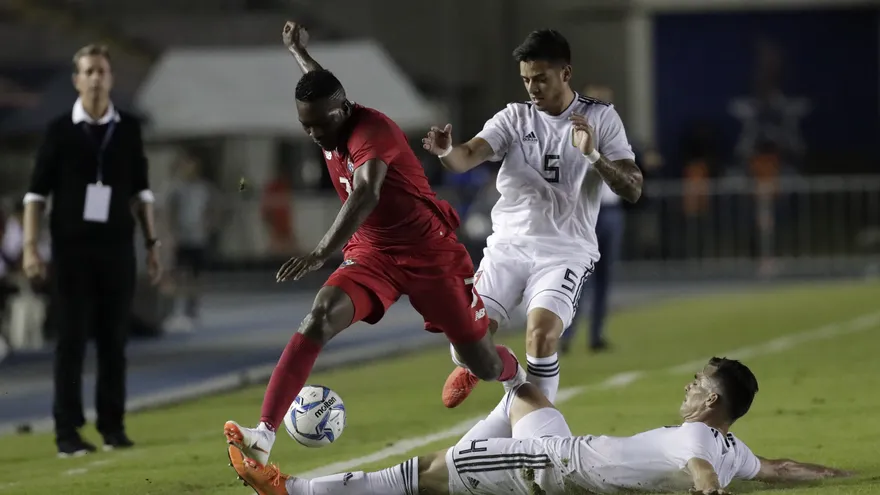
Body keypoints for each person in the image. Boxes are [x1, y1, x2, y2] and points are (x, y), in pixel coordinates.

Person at [223, 22, 521, 468]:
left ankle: (516, 374)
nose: (315, 137)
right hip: (372, 253)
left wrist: (321, 251)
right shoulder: (327, 111)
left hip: (429, 254)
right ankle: (264, 434)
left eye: (321, 126)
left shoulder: (371, 132)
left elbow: (366, 193)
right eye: (306, 128)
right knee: (319, 317)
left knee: (484, 365)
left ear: (343, 112)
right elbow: (320, 85)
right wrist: (298, 53)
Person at [228, 357, 851, 495]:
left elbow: (701, 473)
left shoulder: (702, 444)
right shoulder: (736, 444)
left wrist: (707, 493)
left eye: (699, 385)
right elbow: (781, 470)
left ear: (714, 402)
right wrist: (842, 474)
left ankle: (292, 490)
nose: (688, 389)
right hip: (560, 442)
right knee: (523, 387)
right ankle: (474, 360)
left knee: (428, 475)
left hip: (550, 467)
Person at [421, 30, 643, 409]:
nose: (532, 88)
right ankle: (485, 364)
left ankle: (538, 437)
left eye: (540, 78)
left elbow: (633, 188)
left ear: (565, 73)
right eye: (526, 79)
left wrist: (592, 155)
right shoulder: (514, 117)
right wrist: (446, 152)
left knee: (540, 335)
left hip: (564, 252)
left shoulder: (599, 118)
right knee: (469, 342)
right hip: (509, 247)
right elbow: (467, 155)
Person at [22, 43, 162, 457]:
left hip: (117, 248)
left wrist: (152, 244)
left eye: (102, 70)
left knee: (114, 341)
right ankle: (67, 431)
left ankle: (112, 426)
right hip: (71, 251)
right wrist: (31, 247)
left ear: (111, 78)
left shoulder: (129, 129)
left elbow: (141, 192)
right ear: (77, 80)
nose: (97, 78)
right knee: (71, 342)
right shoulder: (59, 131)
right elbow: (35, 195)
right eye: (89, 71)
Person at [561, 84, 628, 354]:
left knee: (604, 278)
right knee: (578, 277)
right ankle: (566, 335)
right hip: (585, 212)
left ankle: (596, 335)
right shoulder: (573, 136)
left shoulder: (615, 135)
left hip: (611, 211)